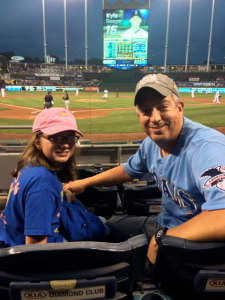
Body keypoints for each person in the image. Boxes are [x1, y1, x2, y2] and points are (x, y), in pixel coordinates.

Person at [65, 74, 225, 266]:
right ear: (139, 114)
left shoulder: (207, 149)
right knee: (103, 227)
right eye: (146, 110)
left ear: (180, 108)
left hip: (199, 243)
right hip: (165, 223)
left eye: (163, 107)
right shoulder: (151, 144)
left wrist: (163, 239)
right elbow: (129, 170)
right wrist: (85, 182)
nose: (155, 118)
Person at [0, 108, 106, 247]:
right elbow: (34, 250)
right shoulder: (42, 183)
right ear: (37, 142)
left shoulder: (31, 165)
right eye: (55, 137)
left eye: (71, 137)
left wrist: (63, 194)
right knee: (104, 225)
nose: (66, 143)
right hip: (37, 254)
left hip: (11, 238)